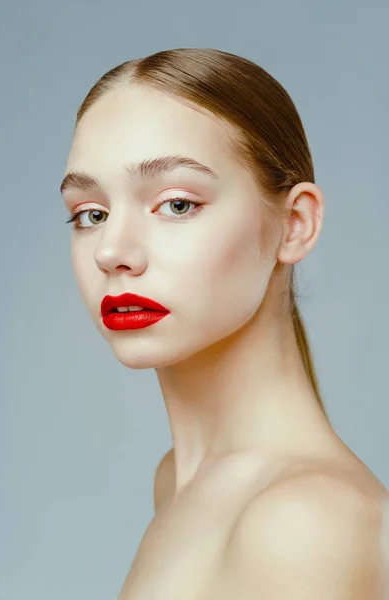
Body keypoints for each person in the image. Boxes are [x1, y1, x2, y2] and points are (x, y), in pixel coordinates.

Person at [60, 48, 389, 599]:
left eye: (177, 205)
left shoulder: (305, 522)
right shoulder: (177, 482)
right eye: (91, 214)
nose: (112, 251)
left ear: (296, 224)